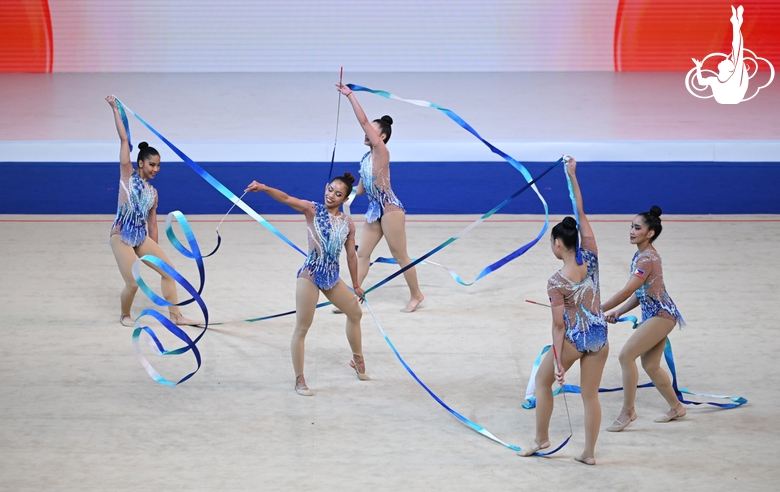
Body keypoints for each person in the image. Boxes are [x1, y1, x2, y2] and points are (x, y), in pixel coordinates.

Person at [518, 158, 609, 465]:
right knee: (590, 396)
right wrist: (572, 176)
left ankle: (542, 440)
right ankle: (589, 453)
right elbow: (581, 213)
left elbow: (559, 326)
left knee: (543, 383)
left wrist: (558, 361)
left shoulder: (556, 281)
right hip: (599, 336)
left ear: (558, 243)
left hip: (574, 338)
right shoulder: (592, 257)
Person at [245, 173, 368, 396]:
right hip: (310, 274)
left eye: (338, 194)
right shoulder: (312, 209)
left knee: (355, 313)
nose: (331, 195)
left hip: (331, 277)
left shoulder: (348, 224)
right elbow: (285, 198)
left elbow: (351, 256)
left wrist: (356, 284)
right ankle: (299, 379)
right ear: (325, 187)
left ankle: (358, 360)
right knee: (303, 327)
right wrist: (263, 187)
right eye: (330, 190)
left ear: (345, 199)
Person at [334, 82, 424, 312]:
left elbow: (363, 121)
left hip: (391, 210)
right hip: (375, 210)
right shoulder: (366, 158)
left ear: (381, 137)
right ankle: (353, 296)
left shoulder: (382, 152)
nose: (365, 133)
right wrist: (345, 195)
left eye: (371, 131)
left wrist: (350, 96)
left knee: (400, 255)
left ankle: (417, 295)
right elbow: (362, 188)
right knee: (362, 254)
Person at [106, 95, 194, 328]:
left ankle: (176, 315)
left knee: (169, 271)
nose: (156, 169)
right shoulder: (127, 175)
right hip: (121, 234)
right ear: (141, 163)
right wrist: (116, 109)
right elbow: (124, 140)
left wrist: (153, 251)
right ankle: (125, 314)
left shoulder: (153, 193)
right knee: (133, 284)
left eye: (159, 165)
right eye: (152, 164)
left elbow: (152, 225)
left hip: (140, 237)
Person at [602, 205, 686, 431]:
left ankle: (628, 411)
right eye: (631, 226)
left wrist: (598, 309)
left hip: (661, 314)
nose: (631, 231)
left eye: (637, 228)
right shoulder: (640, 255)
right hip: (655, 314)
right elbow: (641, 293)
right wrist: (618, 312)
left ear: (650, 233)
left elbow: (627, 291)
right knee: (650, 364)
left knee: (626, 356)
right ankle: (677, 407)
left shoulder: (646, 259)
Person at [692, 5, 748, 104]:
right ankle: (736, 23)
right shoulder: (715, 80)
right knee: (737, 53)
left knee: (737, 51)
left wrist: (736, 25)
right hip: (728, 98)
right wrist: (698, 67)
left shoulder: (734, 76)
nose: (725, 59)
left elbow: (737, 47)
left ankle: (736, 23)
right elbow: (701, 82)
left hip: (732, 97)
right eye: (727, 60)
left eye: (727, 61)